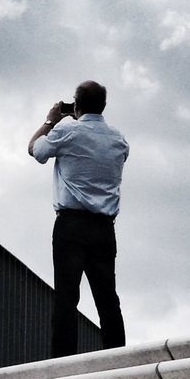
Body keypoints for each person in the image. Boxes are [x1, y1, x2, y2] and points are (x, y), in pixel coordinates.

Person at [28, 80, 128, 358]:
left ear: (77, 103)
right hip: (104, 228)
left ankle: (63, 362)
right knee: (108, 299)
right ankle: (116, 359)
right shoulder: (119, 139)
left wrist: (50, 121)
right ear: (104, 106)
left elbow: (35, 150)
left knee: (67, 298)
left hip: (71, 226)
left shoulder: (66, 130)